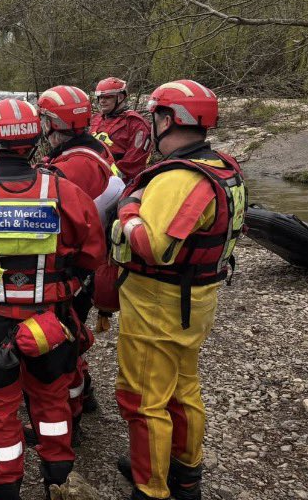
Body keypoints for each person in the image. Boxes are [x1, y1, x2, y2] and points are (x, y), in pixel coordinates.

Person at [0, 98, 105, 500]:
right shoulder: (67, 193)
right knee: (52, 402)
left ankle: (5, 489)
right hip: (50, 322)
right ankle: (58, 482)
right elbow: (93, 253)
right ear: (36, 144)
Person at [96, 81, 246, 500]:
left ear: (167, 120)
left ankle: (151, 487)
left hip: (158, 303)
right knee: (183, 387)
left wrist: (127, 209)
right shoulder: (223, 166)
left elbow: (151, 245)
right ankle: (185, 471)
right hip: (197, 298)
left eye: (156, 116)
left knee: (143, 399)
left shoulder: (178, 178)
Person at [37, 85, 125, 418]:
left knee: (61, 340)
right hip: (92, 261)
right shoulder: (94, 151)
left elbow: (49, 224)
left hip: (75, 269)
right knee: (70, 333)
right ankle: (82, 393)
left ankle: (68, 411)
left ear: (51, 123)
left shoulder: (70, 169)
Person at [91, 77, 152, 180]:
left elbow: (134, 163)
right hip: (91, 175)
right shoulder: (96, 119)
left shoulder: (136, 123)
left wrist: (106, 176)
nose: (102, 101)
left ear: (120, 97)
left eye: (108, 97)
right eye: (100, 97)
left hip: (117, 183)